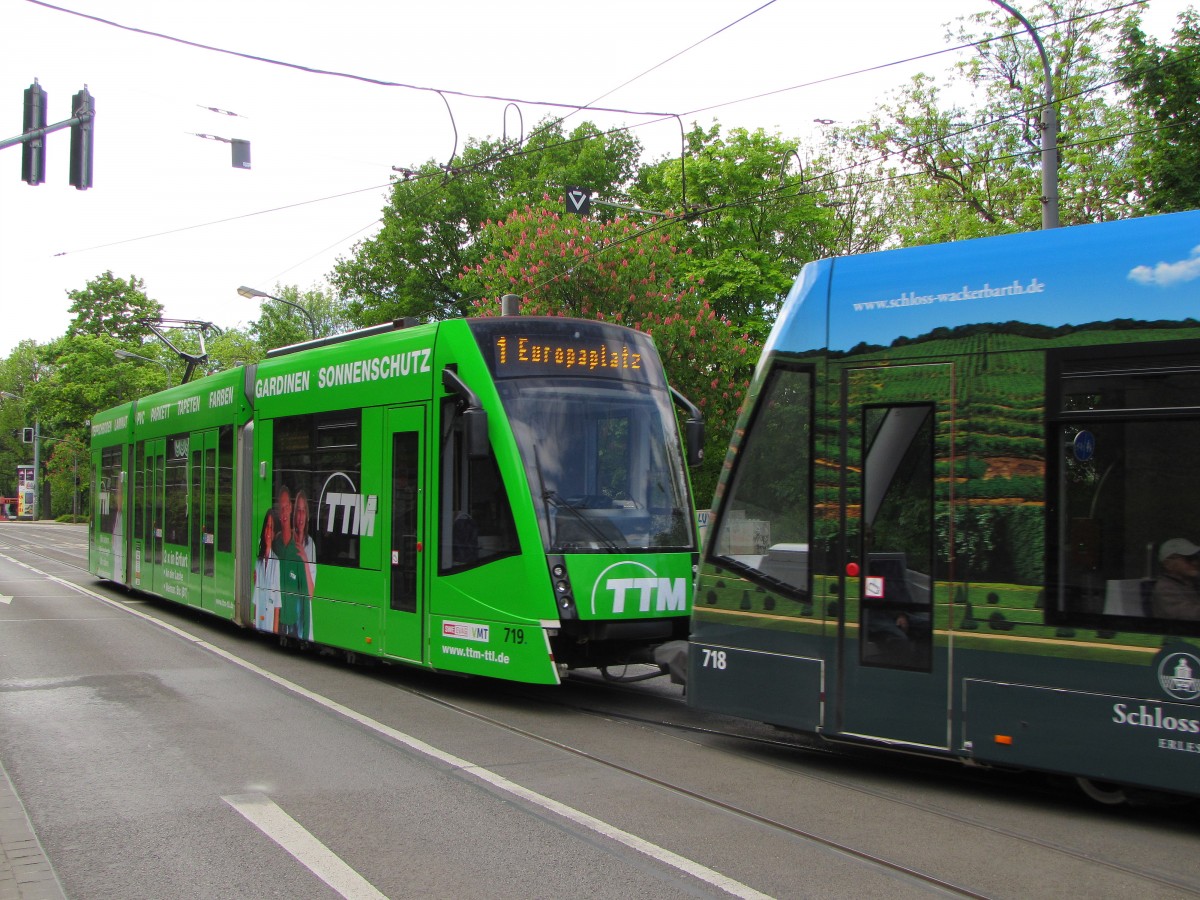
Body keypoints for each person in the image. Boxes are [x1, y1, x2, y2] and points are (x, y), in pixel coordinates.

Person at [274, 485, 306, 640]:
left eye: (286, 507)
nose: (284, 512)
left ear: (290, 508)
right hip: (277, 620)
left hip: (293, 624)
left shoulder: (298, 546)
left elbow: (305, 592)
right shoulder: (275, 543)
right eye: (281, 508)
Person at [1152, 538, 1200, 621]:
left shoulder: (1191, 581)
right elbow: (1188, 614)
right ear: (1168, 564)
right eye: (1188, 559)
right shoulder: (1165, 587)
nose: (1195, 562)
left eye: (1195, 557)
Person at [252, 509, 282, 633]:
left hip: (269, 622)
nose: (268, 531)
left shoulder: (276, 562)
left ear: (275, 534)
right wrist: (254, 620)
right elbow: (256, 594)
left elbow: (277, 602)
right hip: (259, 619)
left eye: (271, 527)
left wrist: (275, 631)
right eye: (266, 527)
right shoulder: (258, 562)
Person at [292, 489, 317, 639]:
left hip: (305, 617)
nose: (300, 516)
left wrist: (305, 561)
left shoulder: (310, 545)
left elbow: (311, 593)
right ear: (294, 515)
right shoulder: (287, 541)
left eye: (303, 511)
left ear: (307, 516)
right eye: (298, 511)